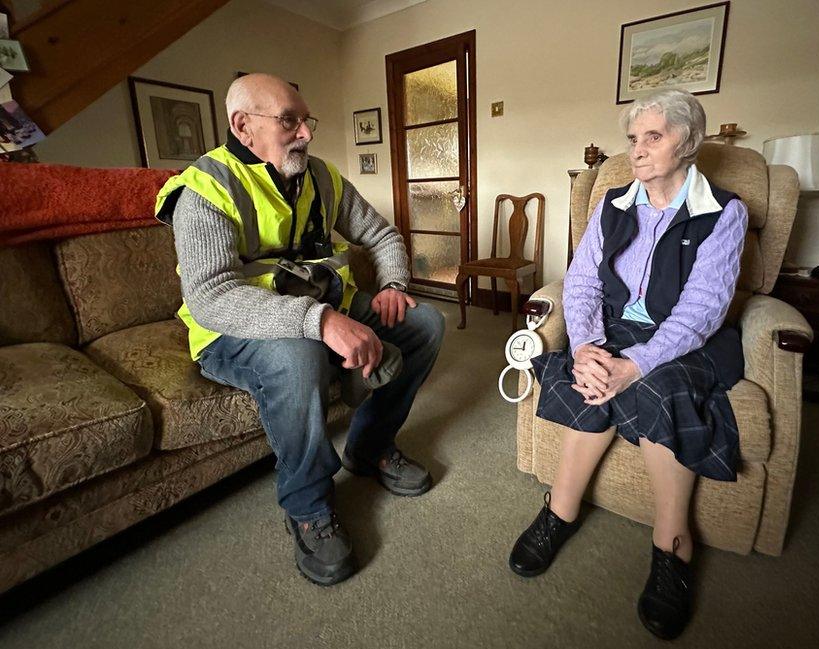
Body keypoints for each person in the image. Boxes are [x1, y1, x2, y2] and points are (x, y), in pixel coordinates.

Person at [155, 73, 445, 587]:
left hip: (322, 304)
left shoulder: (324, 178)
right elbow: (212, 297)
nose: (306, 133)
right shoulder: (203, 189)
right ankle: (308, 502)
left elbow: (380, 233)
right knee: (299, 356)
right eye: (289, 121)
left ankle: (369, 447)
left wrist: (395, 284)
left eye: (306, 120)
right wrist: (321, 323)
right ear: (244, 127)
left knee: (423, 323)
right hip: (232, 329)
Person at [508, 88, 747, 640]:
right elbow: (584, 280)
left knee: (662, 390)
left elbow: (702, 312)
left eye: (653, 137)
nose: (637, 151)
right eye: (633, 139)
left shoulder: (723, 212)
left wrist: (633, 365)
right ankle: (559, 513)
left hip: (685, 337)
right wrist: (590, 344)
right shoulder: (613, 203)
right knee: (586, 374)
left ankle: (673, 546)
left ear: (688, 143)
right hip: (614, 327)